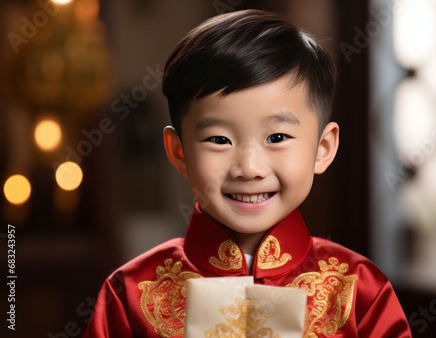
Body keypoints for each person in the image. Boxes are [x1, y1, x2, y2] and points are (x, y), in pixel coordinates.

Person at [83, 9, 412, 337]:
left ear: (322, 148)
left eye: (277, 138)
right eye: (219, 140)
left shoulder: (361, 292)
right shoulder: (131, 292)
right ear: (179, 152)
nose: (249, 168)